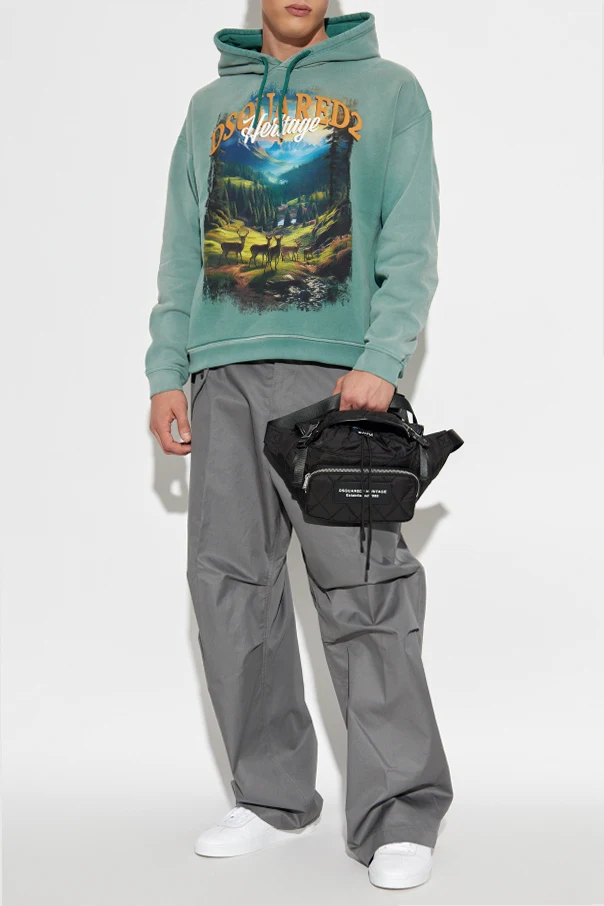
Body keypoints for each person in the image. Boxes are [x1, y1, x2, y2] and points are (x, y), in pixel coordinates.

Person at [145, 1, 452, 891]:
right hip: (222, 375)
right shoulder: (211, 107)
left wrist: (382, 360)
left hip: (338, 384)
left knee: (364, 588)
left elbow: (411, 240)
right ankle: (272, 795)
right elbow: (181, 252)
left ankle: (399, 811)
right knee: (229, 588)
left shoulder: (390, 91)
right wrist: (168, 369)